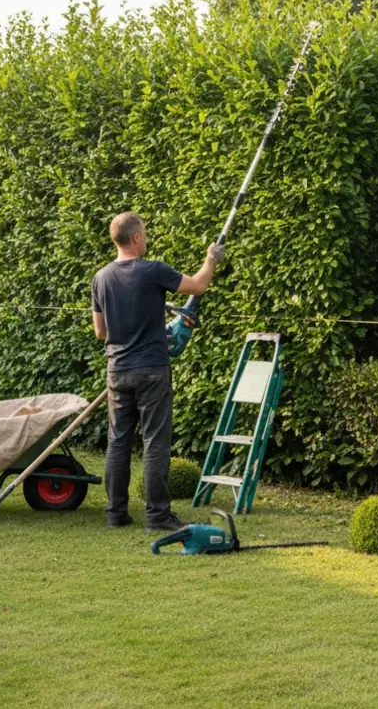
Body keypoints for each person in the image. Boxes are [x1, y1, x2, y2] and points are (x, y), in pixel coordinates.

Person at [92, 212, 223, 531]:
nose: (147, 239)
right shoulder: (152, 271)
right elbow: (198, 286)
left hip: (117, 370)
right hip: (151, 369)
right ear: (136, 237)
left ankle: (115, 514)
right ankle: (157, 516)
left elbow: (100, 332)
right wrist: (211, 259)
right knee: (154, 442)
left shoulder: (101, 277)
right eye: (145, 234)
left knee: (118, 441)